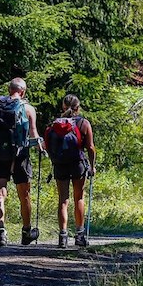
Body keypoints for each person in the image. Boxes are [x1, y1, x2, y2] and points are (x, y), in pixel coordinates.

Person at [0, 78, 44, 246]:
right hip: (21, 155)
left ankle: (2, 230)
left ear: (9, 89)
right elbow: (34, 134)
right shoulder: (27, 108)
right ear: (23, 92)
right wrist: (41, 148)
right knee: (24, 195)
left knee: (0, 193)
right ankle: (26, 231)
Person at [46, 94, 96, 247]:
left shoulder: (54, 124)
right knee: (78, 198)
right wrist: (92, 166)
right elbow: (91, 147)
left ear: (63, 107)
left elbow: (48, 145)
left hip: (60, 164)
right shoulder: (83, 123)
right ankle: (80, 235)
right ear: (78, 107)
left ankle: (63, 236)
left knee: (63, 199)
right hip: (78, 164)